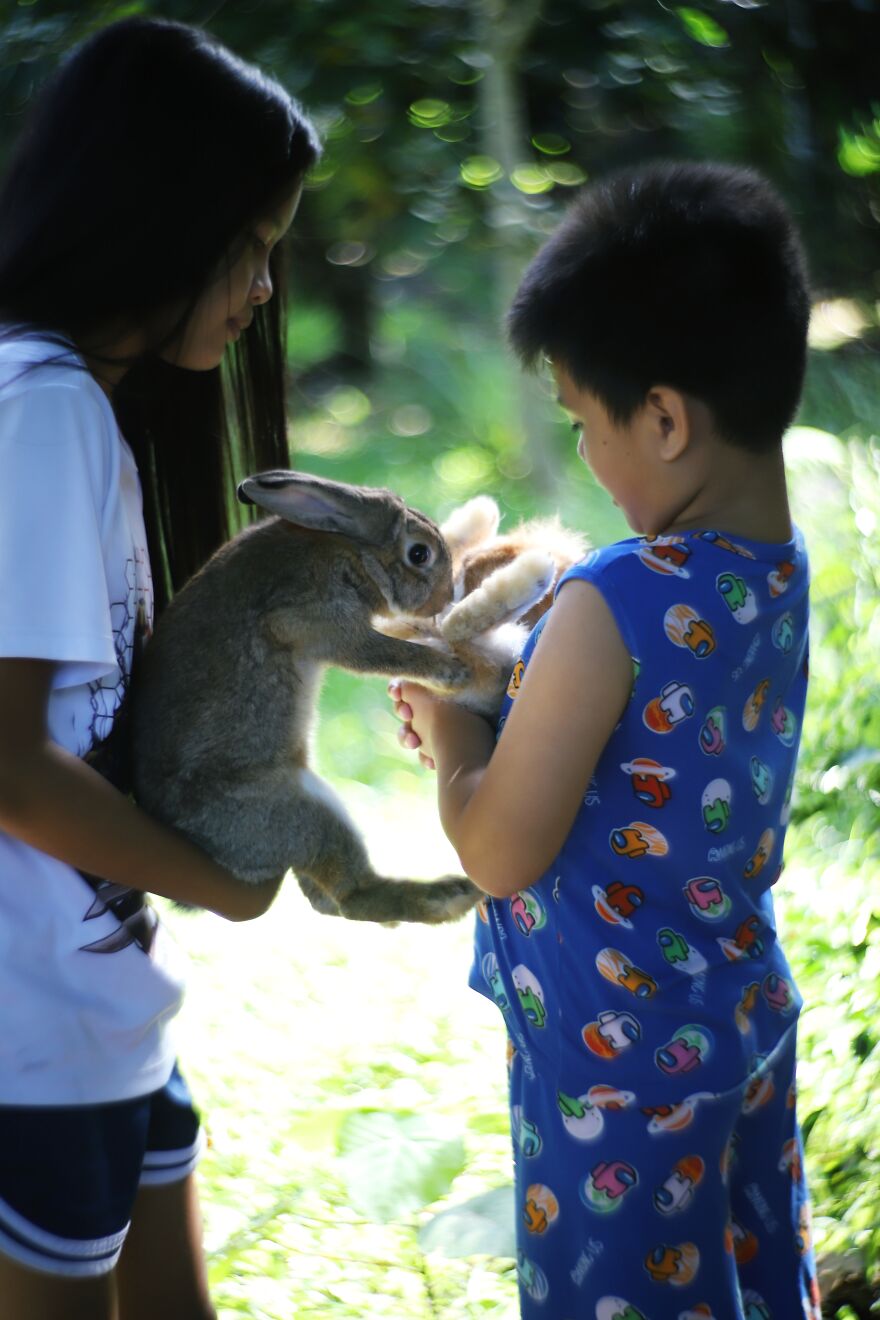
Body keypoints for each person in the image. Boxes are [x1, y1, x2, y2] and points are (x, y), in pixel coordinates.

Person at [391, 161, 822, 1319]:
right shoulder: (776, 573)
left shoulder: (611, 598)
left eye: (584, 422)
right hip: (735, 1030)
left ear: (666, 417)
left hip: (614, 1086)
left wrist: (449, 719)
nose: (581, 453)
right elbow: (655, 745)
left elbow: (497, 850)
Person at [0, 17, 319, 1320]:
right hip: (33, 1040)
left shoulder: (82, 408)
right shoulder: (42, 408)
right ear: (162, 219)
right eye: (251, 251)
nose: (259, 294)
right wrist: (228, 887)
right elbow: (12, 766)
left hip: (104, 1009)